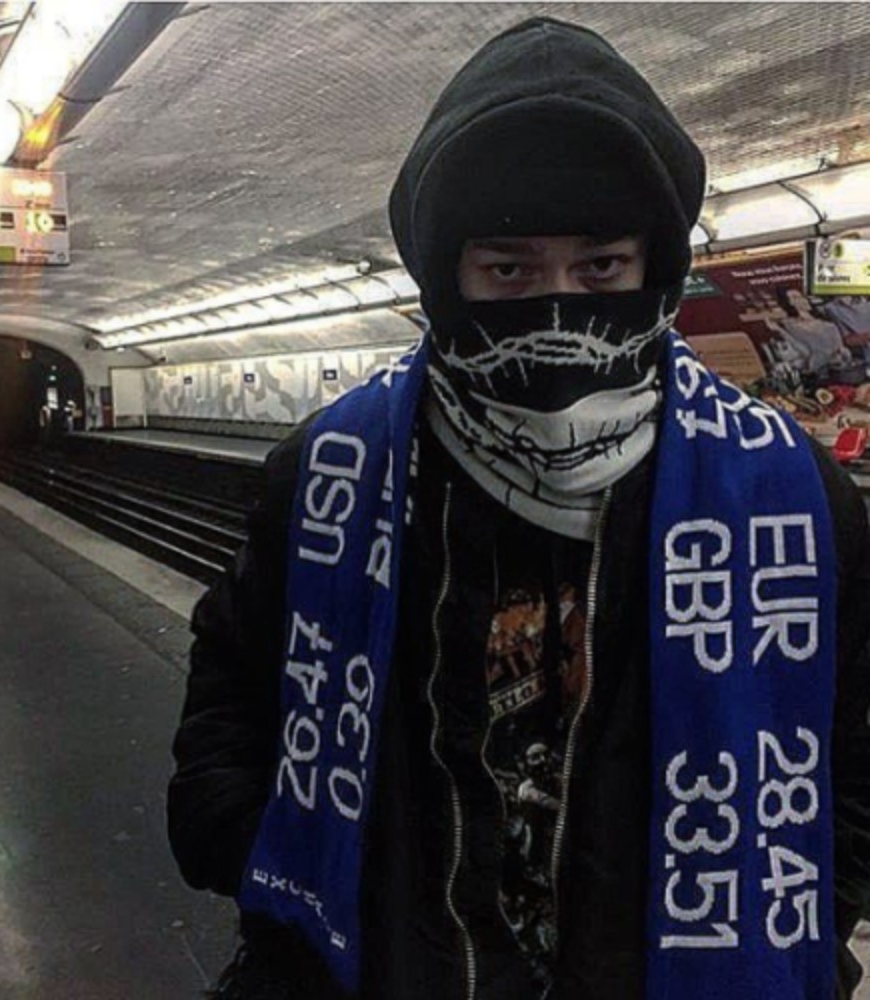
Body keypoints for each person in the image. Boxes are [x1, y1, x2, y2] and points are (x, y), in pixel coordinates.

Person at [168, 17, 870, 1000]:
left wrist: (815, 921)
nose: (558, 306)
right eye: (509, 270)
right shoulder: (327, 474)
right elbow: (233, 690)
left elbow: (855, 743)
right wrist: (264, 858)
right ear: (445, 276)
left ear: (653, 271)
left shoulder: (790, 496)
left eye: (600, 269)